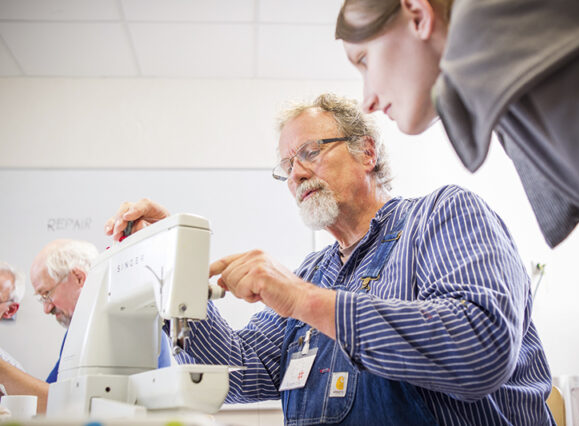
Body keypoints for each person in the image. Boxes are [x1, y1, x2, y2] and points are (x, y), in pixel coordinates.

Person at [106, 93, 553, 424]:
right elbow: (239, 373)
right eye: (286, 166)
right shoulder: (313, 273)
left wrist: (307, 302)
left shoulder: (442, 215)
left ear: (367, 151)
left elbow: (480, 346)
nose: (296, 174)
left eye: (310, 152)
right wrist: (176, 260)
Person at [335, 0, 579, 276]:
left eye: (364, 59)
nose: (368, 100)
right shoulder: (512, 80)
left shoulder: (523, 56)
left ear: (417, 15)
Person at [0, 239, 172, 413]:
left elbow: (60, 405)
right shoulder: (79, 331)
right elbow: (52, 396)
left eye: (46, 294)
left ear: (78, 277)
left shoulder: (118, 325)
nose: (47, 308)